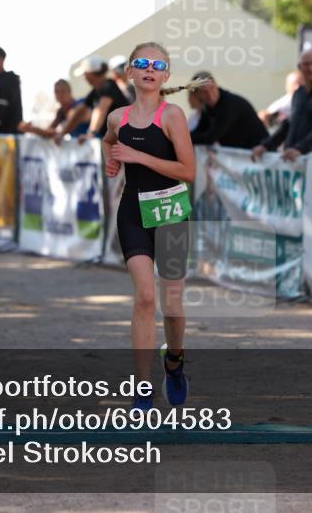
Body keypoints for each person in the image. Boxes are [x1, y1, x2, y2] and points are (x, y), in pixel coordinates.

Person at [102, 41, 195, 410]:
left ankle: (174, 360)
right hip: (134, 211)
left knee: (172, 303)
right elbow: (109, 142)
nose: (150, 69)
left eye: (158, 65)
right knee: (144, 296)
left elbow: (188, 171)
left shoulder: (172, 116)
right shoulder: (117, 118)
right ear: (130, 72)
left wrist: (136, 156)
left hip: (171, 211)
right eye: (142, 63)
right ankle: (142, 387)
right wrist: (112, 161)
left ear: (166, 75)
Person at [251, 48, 312, 162]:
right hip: (294, 160)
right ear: (300, 67)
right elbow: (289, 124)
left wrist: (301, 149)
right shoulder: (299, 93)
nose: (311, 68)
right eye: (307, 64)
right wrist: (266, 146)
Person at [188, 71, 268, 149]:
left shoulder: (229, 104)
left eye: (212, 88)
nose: (210, 94)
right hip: (244, 153)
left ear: (216, 85)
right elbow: (200, 130)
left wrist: (185, 137)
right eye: (204, 91)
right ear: (197, 94)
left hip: (261, 152)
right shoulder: (208, 106)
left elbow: (210, 138)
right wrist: (185, 136)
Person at [72, 56, 130, 141]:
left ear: (91, 74)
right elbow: (80, 111)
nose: (84, 78)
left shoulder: (109, 85)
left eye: (85, 74)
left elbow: (101, 110)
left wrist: (90, 133)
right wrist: (62, 132)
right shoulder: (95, 91)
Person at [19, 79, 90, 140]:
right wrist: (32, 129)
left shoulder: (80, 105)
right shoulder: (61, 111)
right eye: (56, 92)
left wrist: (61, 133)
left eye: (63, 91)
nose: (60, 95)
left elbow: (59, 133)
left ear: (70, 92)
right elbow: (50, 132)